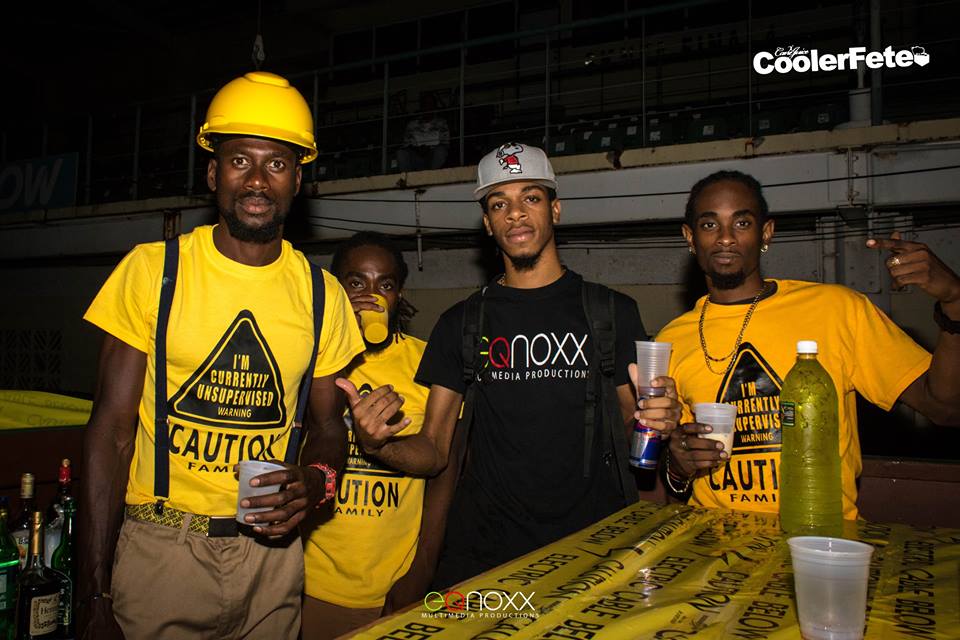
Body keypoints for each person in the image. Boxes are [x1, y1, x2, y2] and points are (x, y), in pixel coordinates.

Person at [76, 71, 365, 640]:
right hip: (162, 554)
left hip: (273, 561)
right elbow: (109, 433)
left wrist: (316, 480)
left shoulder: (322, 294)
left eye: (276, 164)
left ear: (297, 180)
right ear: (213, 174)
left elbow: (329, 426)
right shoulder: (153, 271)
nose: (257, 180)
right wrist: (91, 593)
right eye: (239, 161)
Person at [350, 142, 681, 590]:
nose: (516, 214)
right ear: (488, 223)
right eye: (499, 203)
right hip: (487, 558)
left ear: (555, 209)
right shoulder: (461, 323)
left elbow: (631, 428)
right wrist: (379, 446)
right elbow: (435, 450)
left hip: (594, 552)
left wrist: (656, 421)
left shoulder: (611, 311)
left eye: (531, 197)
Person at [657, 170, 960, 516]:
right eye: (710, 225)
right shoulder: (672, 340)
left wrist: (954, 301)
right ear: (690, 237)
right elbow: (678, 478)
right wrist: (678, 465)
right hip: (715, 538)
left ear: (766, 232)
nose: (726, 238)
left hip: (819, 533)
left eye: (742, 223)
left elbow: (945, 408)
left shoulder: (838, 310)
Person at [301, 232, 428, 639]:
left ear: (398, 295)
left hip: (395, 584)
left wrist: (420, 574)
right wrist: (337, 343)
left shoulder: (426, 362)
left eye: (384, 284)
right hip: (311, 582)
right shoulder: (306, 359)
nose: (371, 296)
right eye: (356, 283)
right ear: (336, 290)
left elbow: (445, 473)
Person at [396, 93, 450, 172]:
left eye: (430, 104)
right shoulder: (412, 124)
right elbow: (406, 145)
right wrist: (417, 150)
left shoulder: (441, 123)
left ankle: (433, 176)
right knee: (401, 153)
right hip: (416, 157)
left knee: (441, 151)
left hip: (433, 156)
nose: (428, 106)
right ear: (421, 107)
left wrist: (429, 149)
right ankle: (406, 177)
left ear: (434, 106)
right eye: (425, 104)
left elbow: (445, 143)